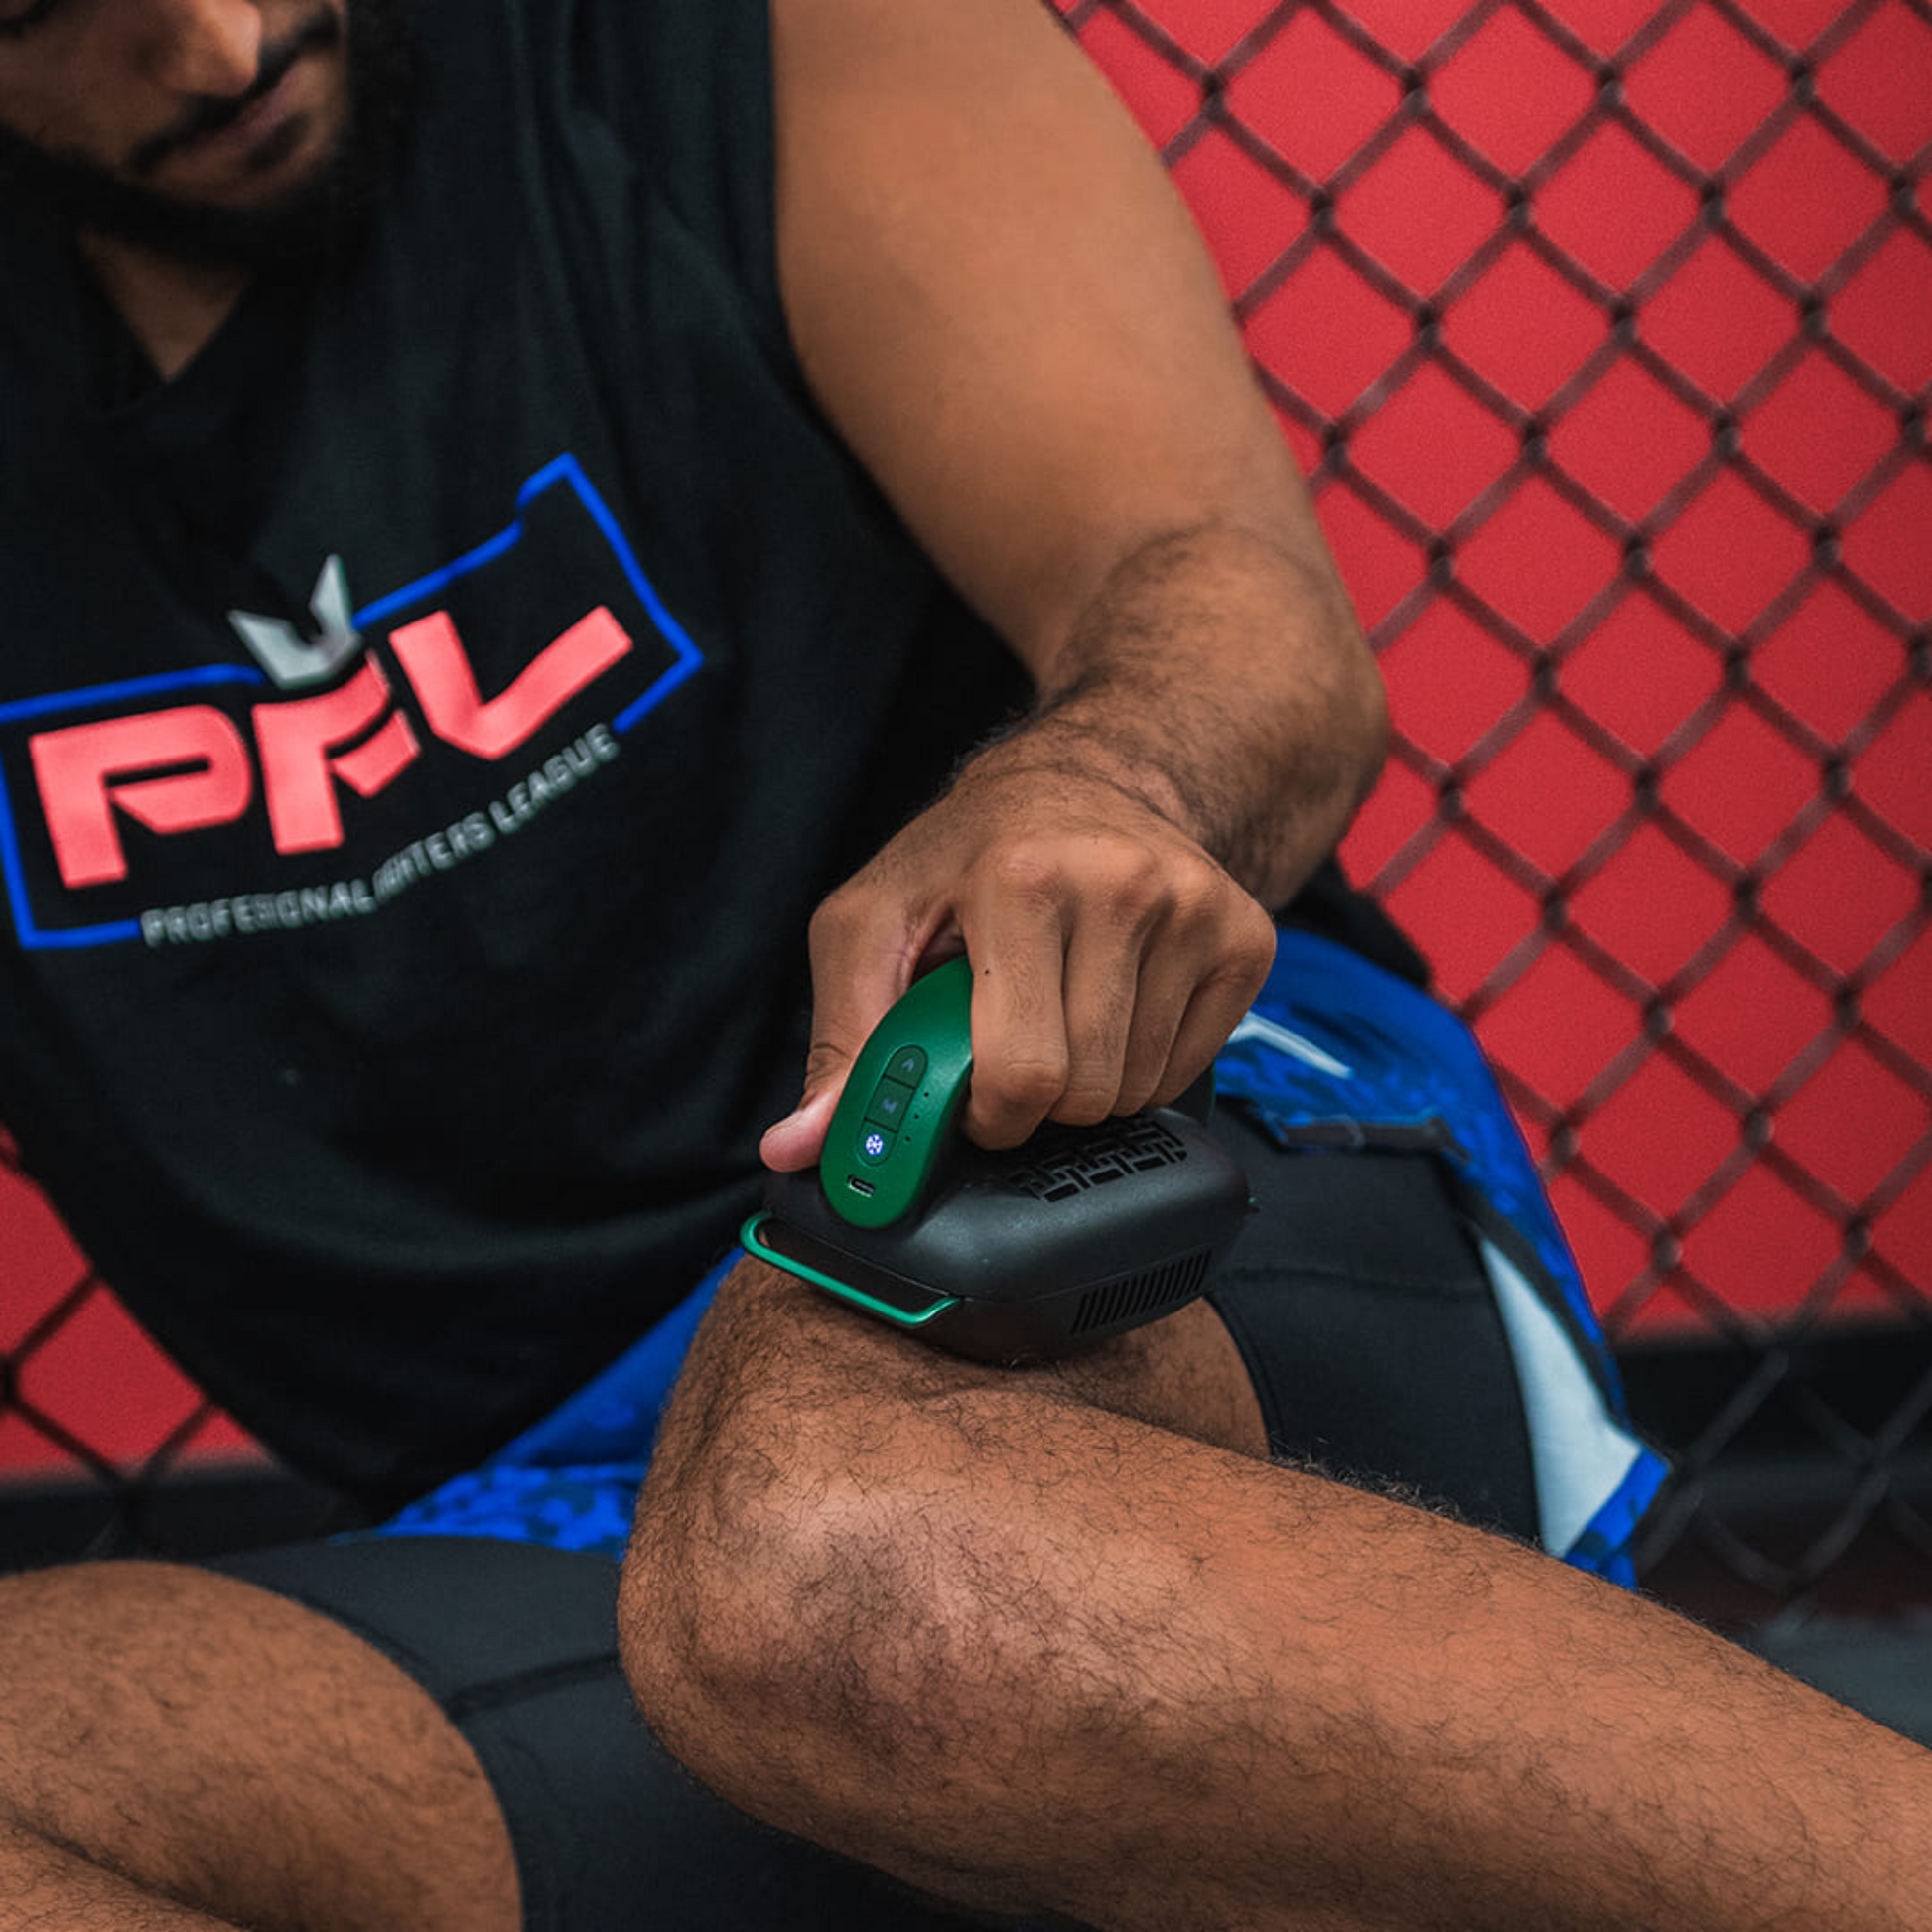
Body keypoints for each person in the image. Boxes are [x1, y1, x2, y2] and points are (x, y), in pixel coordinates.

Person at [0, 1, 1927, 1928]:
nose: (224, 41)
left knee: (847, 1546)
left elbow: (1211, 575)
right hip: (553, 1539)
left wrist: (1109, 778)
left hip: (1104, 1173)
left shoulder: (749, 46)